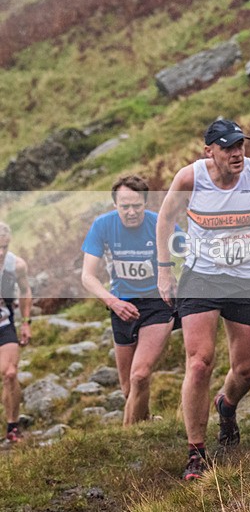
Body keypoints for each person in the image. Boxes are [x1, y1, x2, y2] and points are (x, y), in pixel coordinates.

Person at [156, 118, 250, 481]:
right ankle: (196, 452)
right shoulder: (189, 179)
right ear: (208, 151)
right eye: (228, 147)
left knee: (246, 370)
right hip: (202, 276)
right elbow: (165, 220)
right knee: (199, 362)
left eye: (240, 145)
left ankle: (226, 406)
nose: (237, 153)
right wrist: (164, 270)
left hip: (246, 278)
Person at [81, 175, 181, 426]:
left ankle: (127, 440)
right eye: (125, 206)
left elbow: (189, 253)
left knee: (140, 375)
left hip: (158, 304)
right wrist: (113, 302)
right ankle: (145, 423)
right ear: (115, 204)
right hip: (122, 305)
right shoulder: (103, 225)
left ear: (145, 203)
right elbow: (87, 276)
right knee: (128, 389)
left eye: (137, 205)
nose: (131, 212)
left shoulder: (160, 222)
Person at [0, 222, 32, 443]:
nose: (1, 252)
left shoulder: (16, 265)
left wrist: (26, 322)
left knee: (10, 373)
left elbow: (26, 289)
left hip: (4, 324)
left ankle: (13, 427)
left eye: (5, 246)